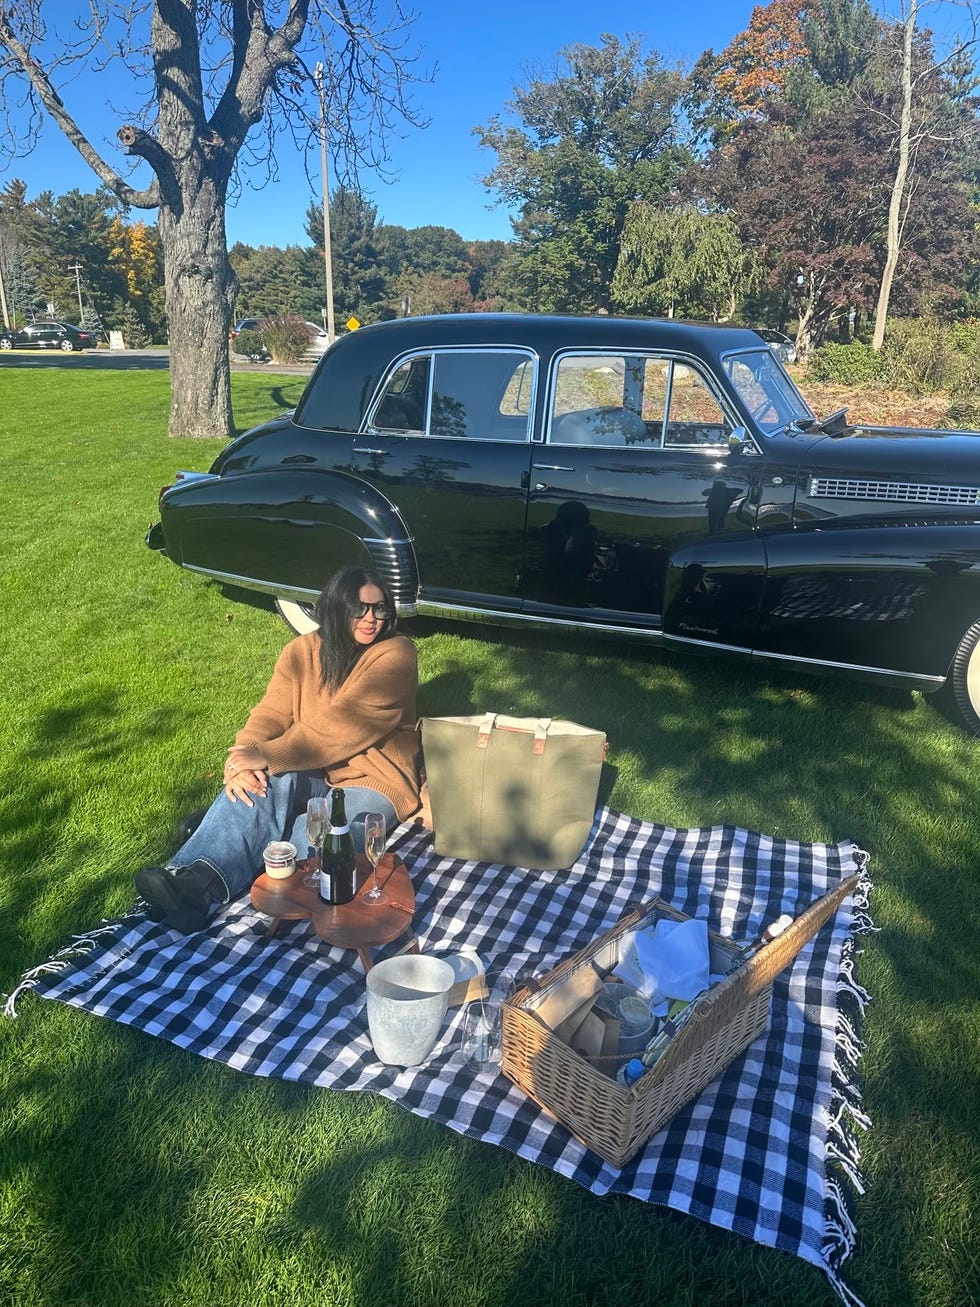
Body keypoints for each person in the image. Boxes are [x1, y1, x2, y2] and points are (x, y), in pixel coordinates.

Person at [135, 566, 420, 933]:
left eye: (380, 609)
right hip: (313, 769)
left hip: (372, 779)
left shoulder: (396, 653)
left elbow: (347, 725)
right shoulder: (302, 651)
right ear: (334, 608)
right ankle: (195, 884)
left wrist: (269, 755)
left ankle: (236, 840)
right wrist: (244, 755)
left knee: (319, 846)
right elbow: (271, 712)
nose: (371, 619)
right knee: (259, 782)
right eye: (359, 609)